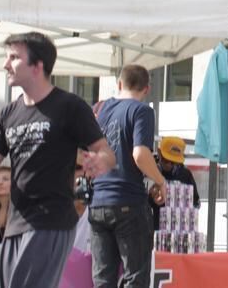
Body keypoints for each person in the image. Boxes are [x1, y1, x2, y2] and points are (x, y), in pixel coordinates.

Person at [0, 31, 116, 288]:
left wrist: (101, 161)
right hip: (16, 225)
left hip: (51, 221)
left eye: (14, 57)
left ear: (38, 66)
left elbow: (107, 152)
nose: (5, 64)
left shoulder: (69, 106)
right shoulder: (8, 114)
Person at [90, 65, 167, 288]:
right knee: (135, 276)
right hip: (128, 201)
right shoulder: (141, 111)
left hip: (98, 201)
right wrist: (160, 181)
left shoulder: (101, 110)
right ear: (147, 89)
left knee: (103, 279)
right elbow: (139, 154)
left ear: (120, 84)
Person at [153, 137, 200, 208]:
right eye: (166, 160)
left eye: (173, 162)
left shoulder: (185, 174)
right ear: (159, 153)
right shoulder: (150, 171)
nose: (169, 165)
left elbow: (195, 201)